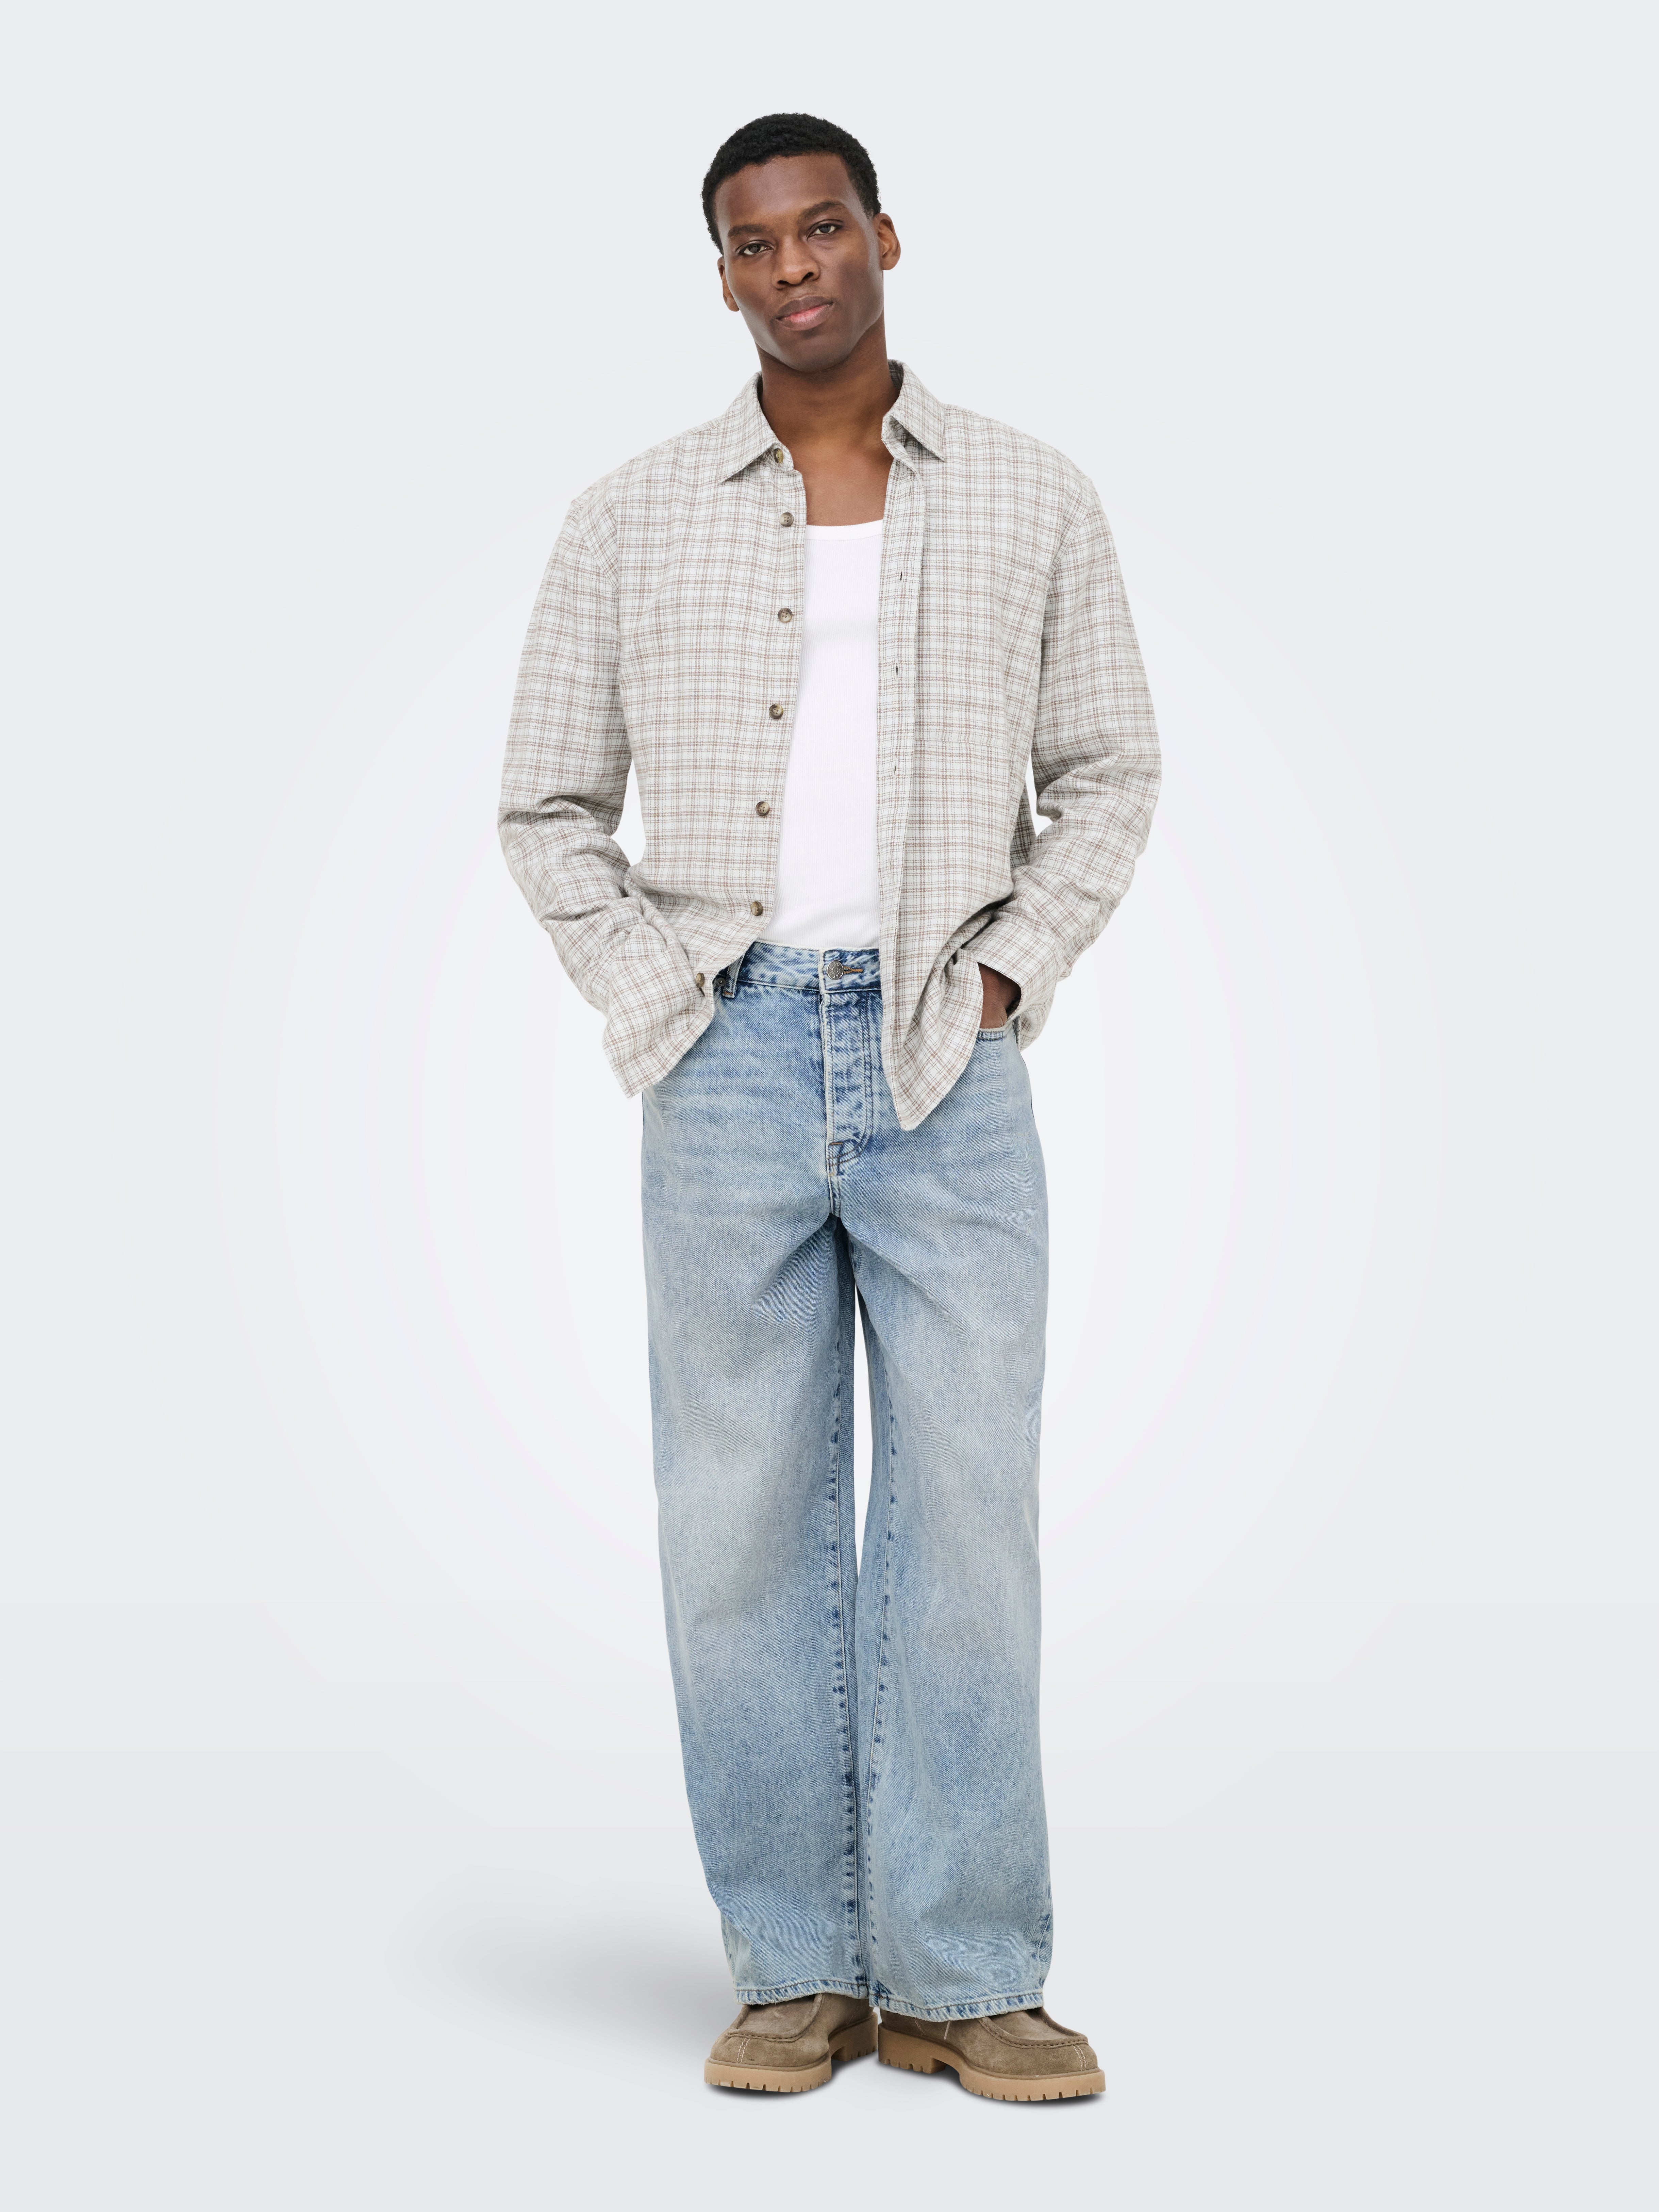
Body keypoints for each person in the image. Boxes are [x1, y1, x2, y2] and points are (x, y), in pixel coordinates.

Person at [498, 112, 1160, 2103]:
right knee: (739, 1529)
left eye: (821, 227)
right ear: (722, 275)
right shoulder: (629, 516)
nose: (793, 265)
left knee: (966, 1521)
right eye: (753, 242)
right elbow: (545, 805)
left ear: (884, 235)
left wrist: (1006, 970)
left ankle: (961, 1974)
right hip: (723, 1057)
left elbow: (1111, 769)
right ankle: (796, 1964)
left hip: (950, 1057)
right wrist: (666, 1004)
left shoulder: (1032, 494)